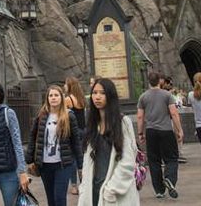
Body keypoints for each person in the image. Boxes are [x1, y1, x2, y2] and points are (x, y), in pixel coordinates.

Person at [77, 78, 140, 206]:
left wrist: (112, 190)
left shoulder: (122, 123)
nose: (97, 97)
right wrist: (83, 188)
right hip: (93, 190)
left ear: (110, 96)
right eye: (94, 93)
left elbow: (128, 161)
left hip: (115, 194)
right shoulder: (93, 125)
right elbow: (87, 161)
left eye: (102, 93)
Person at [26, 84, 82, 206]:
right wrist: (29, 159)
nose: (53, 97)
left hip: (63, 164)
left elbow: (76, 142)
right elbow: (33, 136)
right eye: (50, 95)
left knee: (59, 198)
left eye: (56, 95)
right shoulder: (41, 115)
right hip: (45, 164)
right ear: (47, 98)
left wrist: (80, 165)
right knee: (51, 200)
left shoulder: (69, 116)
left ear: (62, 97)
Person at [136, 71, 184, 198]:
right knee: (171, 158)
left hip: (151, 131)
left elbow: (140, 116)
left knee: (154, 161)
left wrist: (140, 133)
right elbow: (174, 113)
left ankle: (159, 190)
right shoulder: (167, 95)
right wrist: (179, 130)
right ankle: (169, 178)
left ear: (149, 82)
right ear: (160, 81)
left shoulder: (143, 97)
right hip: (166, 130)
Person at [64, 77, 87, 196]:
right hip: (83, 130)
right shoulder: (82, 98)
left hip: (74, 131)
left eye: (65, 84)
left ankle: (74, 185)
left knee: (72, 158)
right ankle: (84, 183)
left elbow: (63, 115)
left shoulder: (68, 99)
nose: (64, 86)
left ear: (70, 86)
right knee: (81, 157)